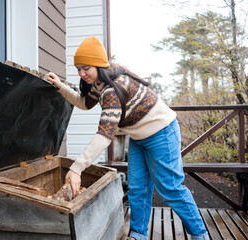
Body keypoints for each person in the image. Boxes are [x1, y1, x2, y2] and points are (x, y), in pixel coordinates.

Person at [47, 36, 209, 240]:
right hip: (139, 137)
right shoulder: (98, 85)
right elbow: (84, 103)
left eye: (85, 68)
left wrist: (77, 168)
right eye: (78, 69)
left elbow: (105, 135)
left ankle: (200, 235)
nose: (81, 73)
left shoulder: (113, 89)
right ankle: (138, 235)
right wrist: (61, 86)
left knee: (170, 188)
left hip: (162, 133)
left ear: (98, 64)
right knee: (138, 188)